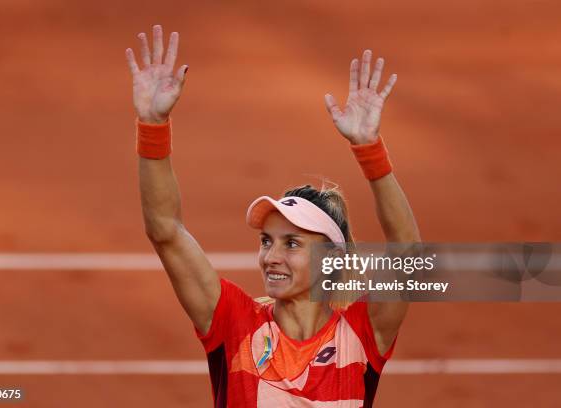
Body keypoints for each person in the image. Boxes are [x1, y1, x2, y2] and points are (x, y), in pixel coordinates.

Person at [126, 24, 420, 407]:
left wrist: (369, 149)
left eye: (292, 243)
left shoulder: (361, 335)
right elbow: (165, 231)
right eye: (267, 241)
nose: (271, 257)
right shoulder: (236, 323)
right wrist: (152, 124)